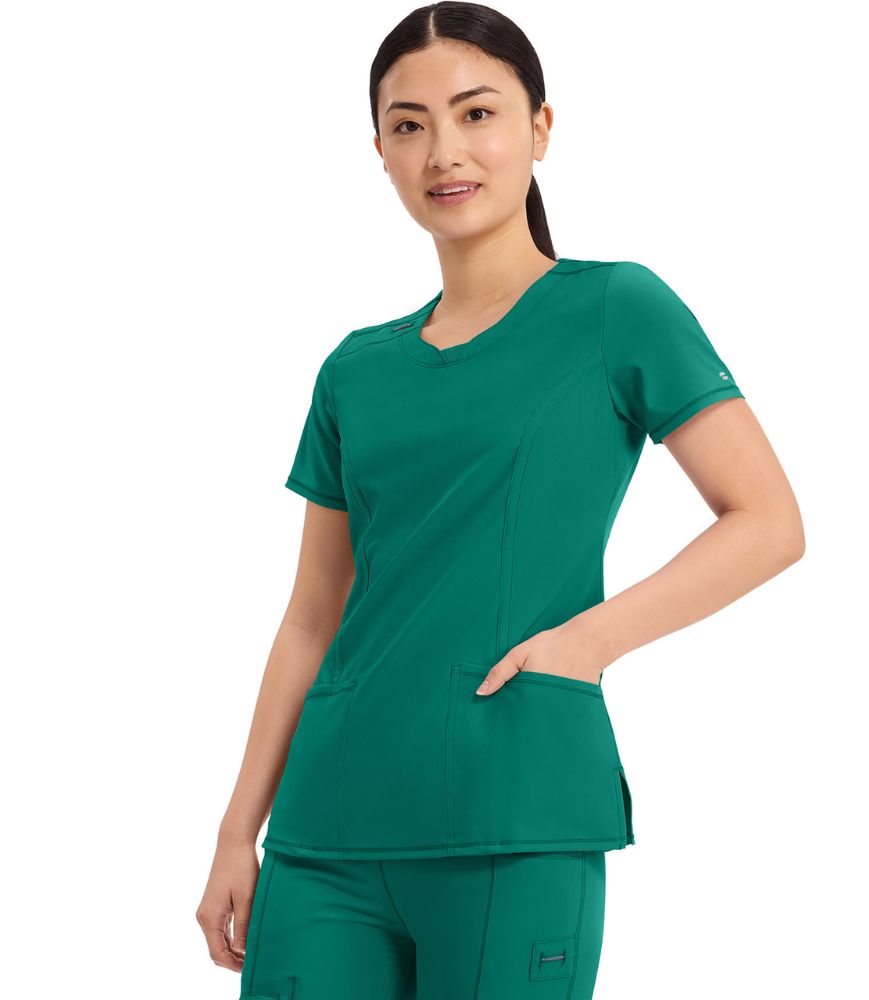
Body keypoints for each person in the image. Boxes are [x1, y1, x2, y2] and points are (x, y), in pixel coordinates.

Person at [195, 4, 805, 997]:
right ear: (381, 153)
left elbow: (768, 520)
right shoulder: (354, 369)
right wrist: (237, 831)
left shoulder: (615, 309)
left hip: (515, 809)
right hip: (324, 831)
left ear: (540, 128)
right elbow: (312, 616)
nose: (443, 150)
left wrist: (585, 644)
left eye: (476, 113)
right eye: (408, 125)